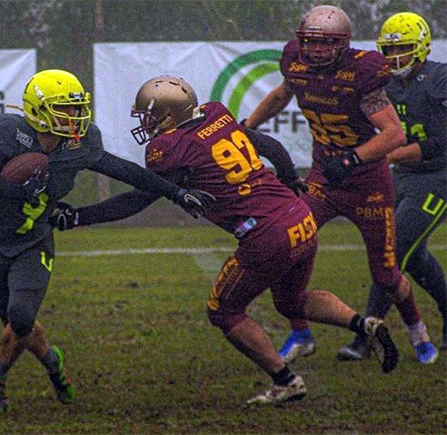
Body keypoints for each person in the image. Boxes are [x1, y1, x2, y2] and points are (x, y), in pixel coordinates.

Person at [50, 75, 399, 404]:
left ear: (169, 116)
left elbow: (137, 199)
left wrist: (81, 216)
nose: (146, 123)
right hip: (300, 215)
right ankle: (364, 323)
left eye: (150, 116)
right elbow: (272, 147)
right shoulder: (217, 115)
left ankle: (284, 381)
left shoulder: (169, 148)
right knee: (292, 302)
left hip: (267, 234)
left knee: (223, 310)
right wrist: (292, 180)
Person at [0, 69, 215, 413]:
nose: (75, 116)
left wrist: (175, 192)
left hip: (33, 243)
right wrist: (17, 192)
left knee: (20, 318)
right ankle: (53, 362)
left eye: (78, 108)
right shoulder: (8, 134)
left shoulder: (78, 145)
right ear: (39, 110)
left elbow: (123, 170)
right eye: (65, 109)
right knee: (13, 323)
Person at [242, 4, 437, 365]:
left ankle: (416, 328)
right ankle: (301, 333)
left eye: (326, 44)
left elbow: (394, 133)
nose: (316, 51)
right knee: (284, 244)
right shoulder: (295, 64)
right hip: (324, 181)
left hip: (367, 182)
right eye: (310, 43)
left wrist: (352, 159)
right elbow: (284, 93)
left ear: (343, 44)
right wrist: (249, 125)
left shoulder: (361, 72)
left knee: (386, 274)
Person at [337, 12, 447, 360]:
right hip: (401, 176)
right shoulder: (382, 84)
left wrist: (387, 155)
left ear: (422, 47)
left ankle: (367, 333)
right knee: (413, 258)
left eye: (403, 48)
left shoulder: (440, 79)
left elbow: (441, 142)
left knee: (393, 250)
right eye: (390, 48)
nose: (395, 57)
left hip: (438, 175)